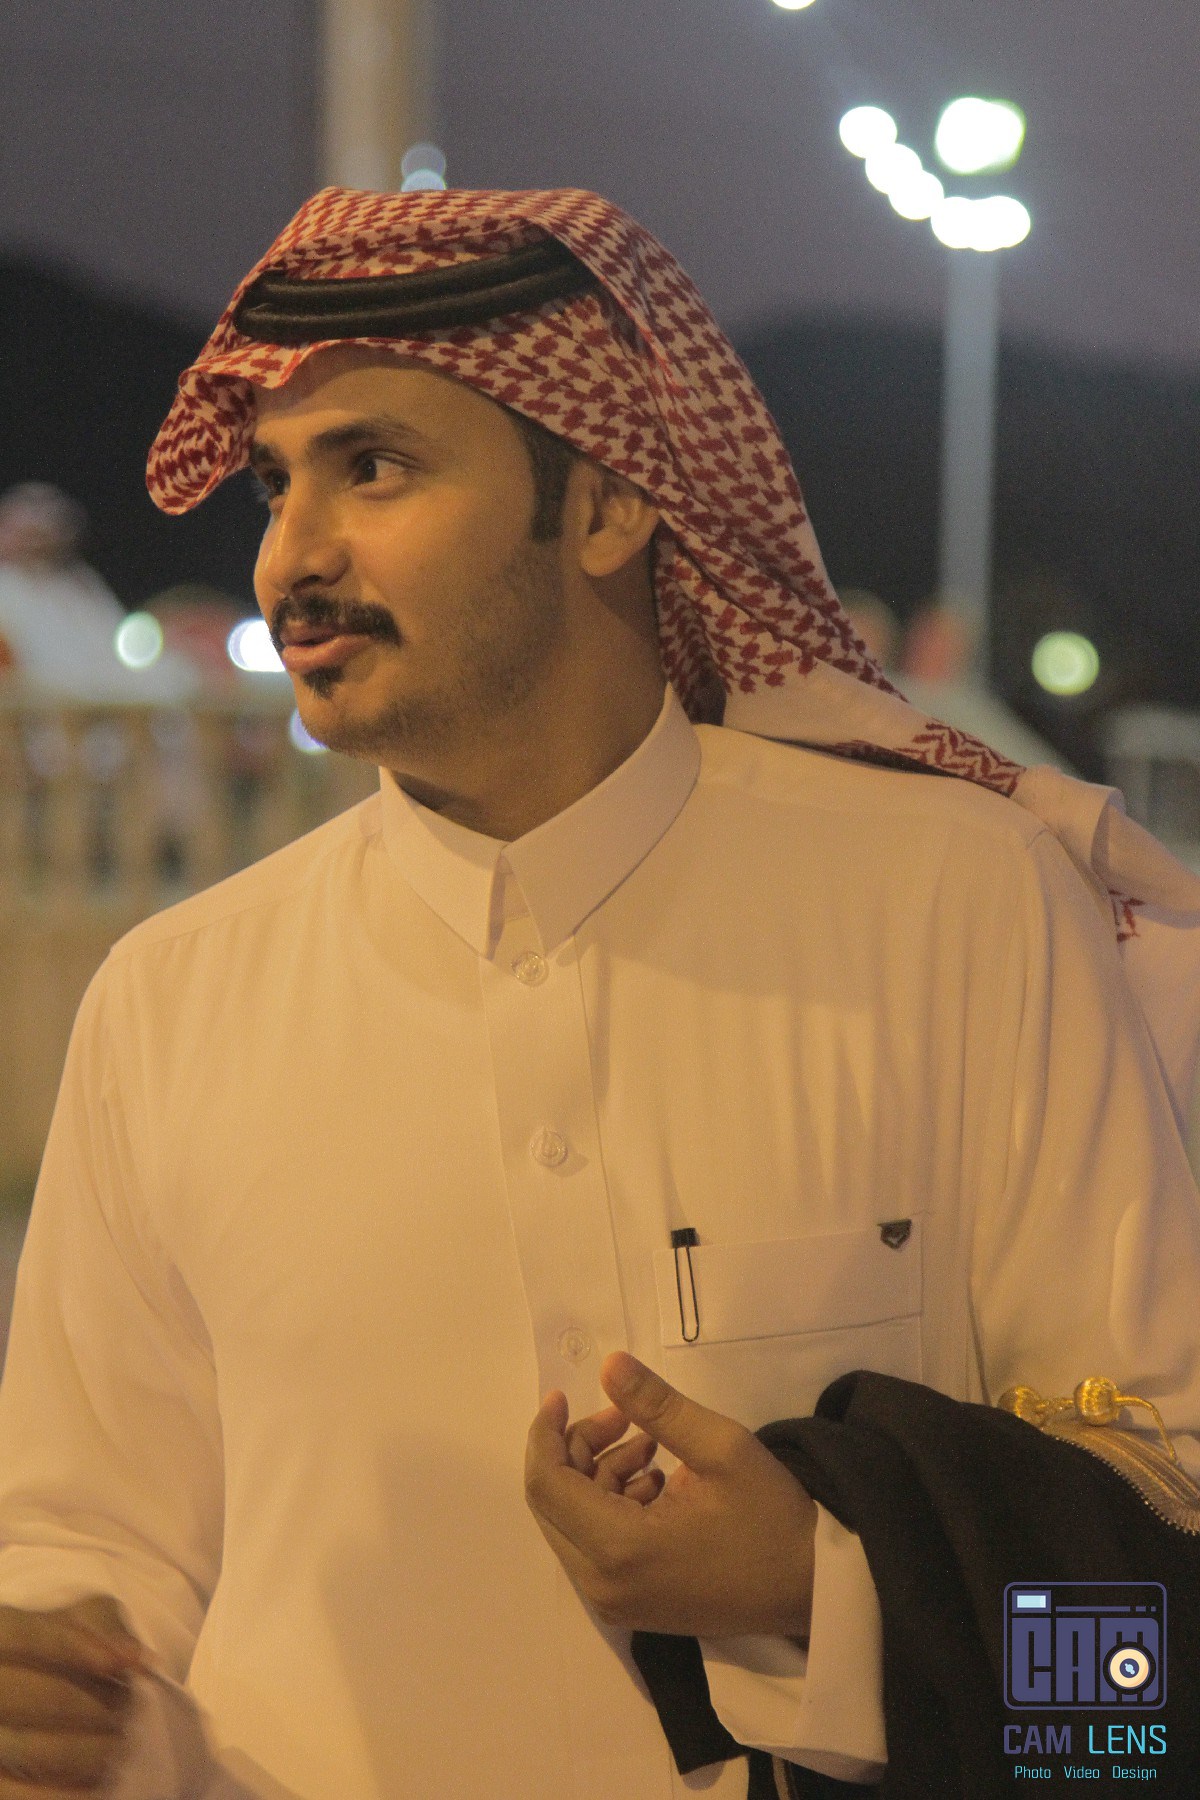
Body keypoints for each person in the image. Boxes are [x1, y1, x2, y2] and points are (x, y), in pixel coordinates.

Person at [0, 187, 1198, 1800]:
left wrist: (820, 1591)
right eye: (278, 484)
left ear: (615, 498)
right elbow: (88, 1547)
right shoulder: (169, 1002)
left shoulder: (957, 907)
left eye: (376, 466)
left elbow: (1156, 1636)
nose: (294, 555)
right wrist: (65, 1694)